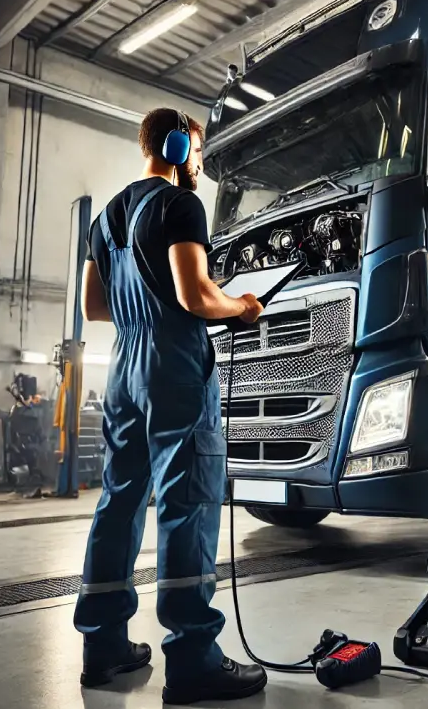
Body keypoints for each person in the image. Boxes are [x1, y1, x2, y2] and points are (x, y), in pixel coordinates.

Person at [73, 107, 266, 705]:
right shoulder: (182, 205)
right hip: (175, 367)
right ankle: (193, 659)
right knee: (186, 504)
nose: (201, 167)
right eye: (199, 154)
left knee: (120, 501)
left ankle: (103, 647)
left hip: (124, 367)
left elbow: (92, 308)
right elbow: (196, 294)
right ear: (179, 147)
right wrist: (242, 305)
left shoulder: (106, 217)